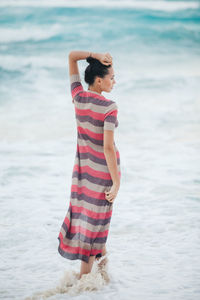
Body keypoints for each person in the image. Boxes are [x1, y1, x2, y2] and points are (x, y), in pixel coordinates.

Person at [57, 50, 121, 279]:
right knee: (96, 223)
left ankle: (103, 277)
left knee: (91, 220)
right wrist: (116, 183)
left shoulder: (78, 97)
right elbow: (108, 148)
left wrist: (94, 55)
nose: (114, 81)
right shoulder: (109, 107)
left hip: (83, 173)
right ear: (99, 80)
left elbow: (72, 56)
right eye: (111, 77)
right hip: (103, 174)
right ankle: (84, 282)